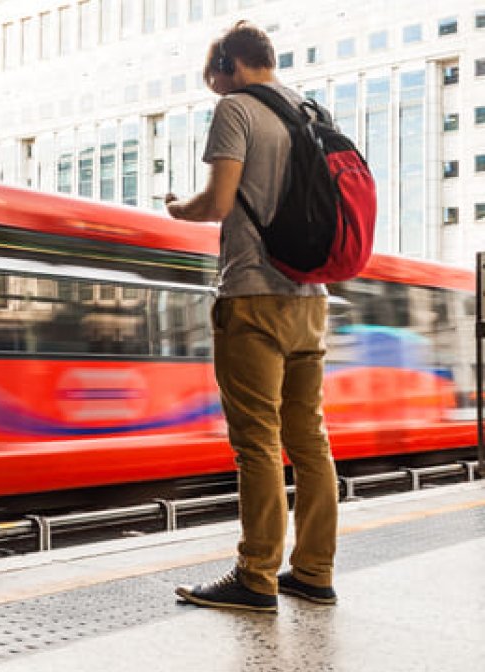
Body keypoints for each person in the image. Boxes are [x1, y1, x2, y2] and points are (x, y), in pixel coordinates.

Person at [165, 21, 339, 612]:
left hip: (253, 295)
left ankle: (256, 575)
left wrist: (177, 209)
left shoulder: (237, 108)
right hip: (311, 299)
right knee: (310, 440)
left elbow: (217, 202)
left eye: (213, 79)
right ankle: (314, 571)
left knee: (258, 442)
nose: (215, 89)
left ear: (231, 66)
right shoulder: (312, 110)